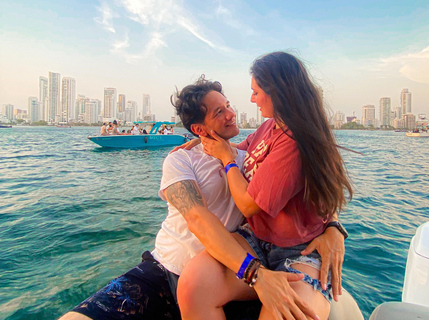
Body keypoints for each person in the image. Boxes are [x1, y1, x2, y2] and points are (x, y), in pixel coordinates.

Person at [59, 77, 344, 320]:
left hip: (227, 273)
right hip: (168, 270)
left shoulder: (246, 157)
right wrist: (256, 274)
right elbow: (197, 219)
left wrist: (333, 226)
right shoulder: (181, 160)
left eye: (228, 105)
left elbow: (302, 181)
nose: (231, 113)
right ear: (198, 128)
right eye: (219, 112)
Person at [177, 52, 352, 320]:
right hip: (256, 240)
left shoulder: (295, 139)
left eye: (256, 91)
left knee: (287, 313)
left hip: (299, 250)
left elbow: (248, 203)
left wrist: (225, 158)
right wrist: (205, 141)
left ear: (277, 92)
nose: (252, 99)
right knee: (193, 286)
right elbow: (241, 149)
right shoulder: (270, 127)